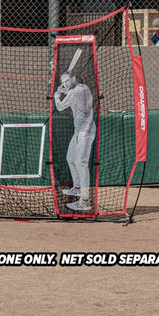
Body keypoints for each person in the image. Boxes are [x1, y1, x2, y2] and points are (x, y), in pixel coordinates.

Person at [53, 70, 96, 212]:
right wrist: (65, 90)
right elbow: (73, 96)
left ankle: (85, 200)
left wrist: (57, 96)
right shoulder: (81, 88)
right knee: (70, 158)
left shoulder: (77, 91)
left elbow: (59, 107)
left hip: (86, 131)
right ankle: (77, 188)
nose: (65, 83)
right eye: (63, 82)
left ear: (75, 78)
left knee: (81, 163)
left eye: (67, 80)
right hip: (79, 131)